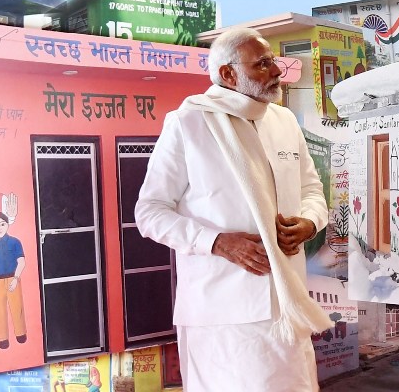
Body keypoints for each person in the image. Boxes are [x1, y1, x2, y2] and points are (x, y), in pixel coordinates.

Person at [135, 26, 332, 391]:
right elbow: (150, 212)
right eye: (262, 64)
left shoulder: (284, 121)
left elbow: (311, 190)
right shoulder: (188, 123)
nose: (276, 71)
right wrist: (217, 242)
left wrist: (309, 222)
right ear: (228, 73)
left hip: (287, 303)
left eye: (272, 61)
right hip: (221, 313)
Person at [0, 211, 27, 350]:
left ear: (7, 225)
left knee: (17, 308)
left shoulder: (15, 242)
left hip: (12, 278)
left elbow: (21, 262)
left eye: (2, 224)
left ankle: (20, 334)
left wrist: (16, 278)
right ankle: (2, 338)